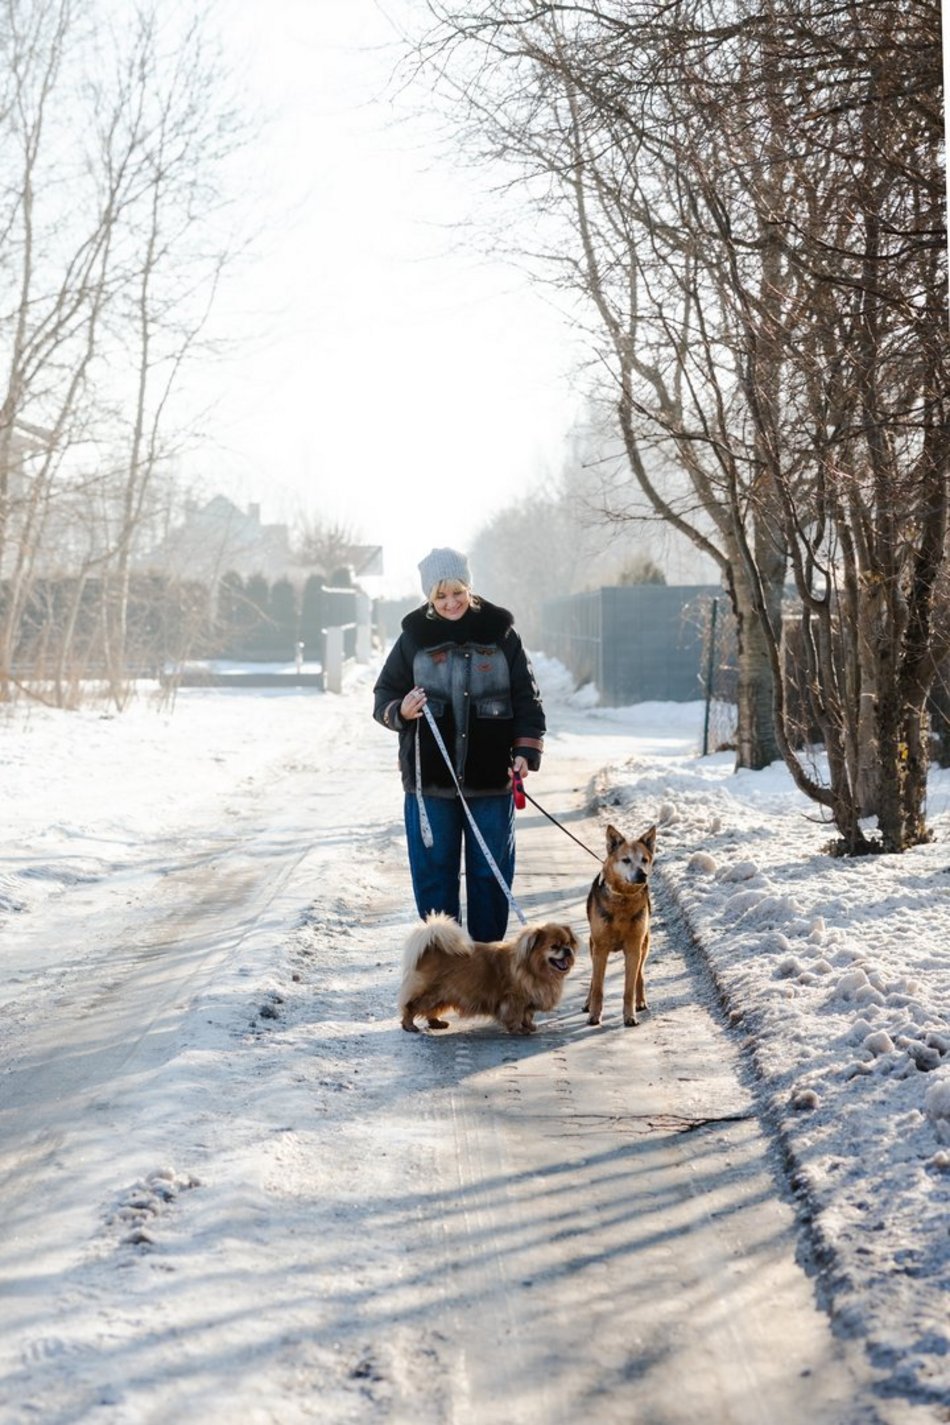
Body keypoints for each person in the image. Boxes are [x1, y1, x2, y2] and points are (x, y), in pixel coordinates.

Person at [373, 547, 545, 943]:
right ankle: (443, 974)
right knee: (435, 876)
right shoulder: (413, 639)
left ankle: (485, 971)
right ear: (429, 598)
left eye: (457, 592)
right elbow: (383, 697)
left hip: (491, 780)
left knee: (490, 873)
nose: (451, 603)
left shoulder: (502, 635)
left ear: (469, 587)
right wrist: (403, 710)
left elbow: (527, 698)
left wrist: (525, 750)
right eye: (441, 596)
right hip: (429, 785)